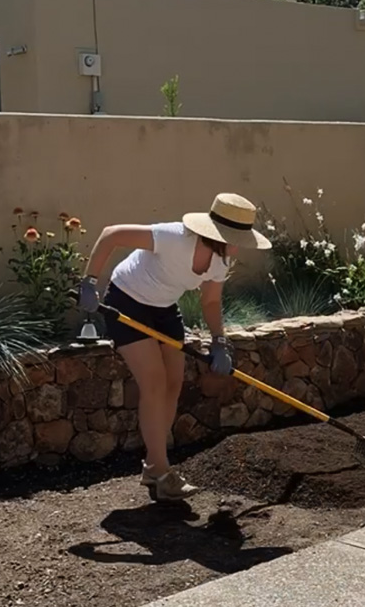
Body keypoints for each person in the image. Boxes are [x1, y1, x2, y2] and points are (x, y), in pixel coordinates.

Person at [77, 193, 271, 502]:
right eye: (236, 238)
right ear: (218, 235)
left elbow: (210, 301)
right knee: (153, 383)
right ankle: (161, 472)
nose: (239, 245)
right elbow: (111, 234)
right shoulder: (173, 237)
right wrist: (88, 282)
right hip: (127, 300)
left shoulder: (221, 259)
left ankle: (154, 466)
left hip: (164, 309)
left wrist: (219, 342)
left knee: (173, 383)